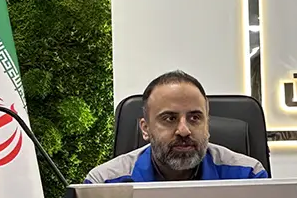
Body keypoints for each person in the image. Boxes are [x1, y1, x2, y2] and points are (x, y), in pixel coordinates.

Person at [85, 70, 268, 183]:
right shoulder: (104, 184)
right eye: (169, 118)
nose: (184, 130)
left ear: (207, 124)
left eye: (195, 118)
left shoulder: (248, 176)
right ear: (145, 128)